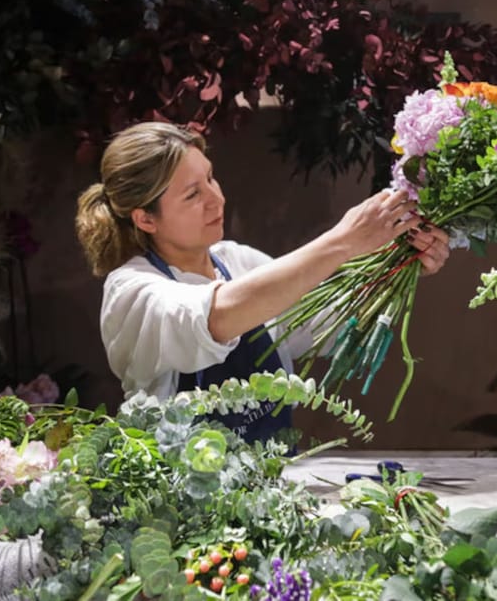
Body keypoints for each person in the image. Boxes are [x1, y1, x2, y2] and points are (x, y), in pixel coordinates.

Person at [75, 122, 450, 443]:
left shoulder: (239, 261)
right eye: (192, 194)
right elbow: (215, 316)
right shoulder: (131, 289)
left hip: (269, 487)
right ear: (145, 219)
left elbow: (329, 323)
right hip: (179, 504)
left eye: (210, 178)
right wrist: (342, 241)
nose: (216, 199)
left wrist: (399, 263)